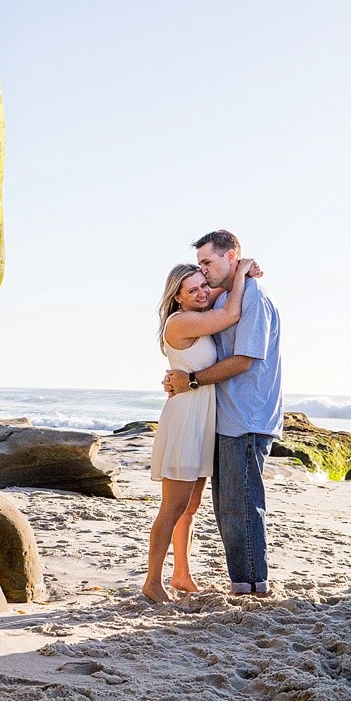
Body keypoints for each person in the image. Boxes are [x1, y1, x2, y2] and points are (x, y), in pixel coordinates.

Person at [163, 230, 282, 596]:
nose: (204, 271)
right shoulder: (224, 297)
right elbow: (198, 312)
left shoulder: (252, 300)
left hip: (247, 417)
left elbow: (245, 361)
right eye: (200, 264)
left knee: (242, 506)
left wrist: (192, 380)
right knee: (226, 508)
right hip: (222, 418)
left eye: (208, 262)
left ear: (231, 256)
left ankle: (252, 587)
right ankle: (242, 583)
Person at [142, 256, 257, 603]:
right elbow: (230, 315)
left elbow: (219, 298)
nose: (202, 292)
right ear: (177, 297)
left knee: (189, 508)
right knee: (172, 507)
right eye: (193, 289)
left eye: (204, 285)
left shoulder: (195, 314)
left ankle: (181, 575)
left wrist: (239, 272)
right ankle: (152, 583)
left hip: (200, 419)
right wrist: (240, 275)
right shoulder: (180, 322)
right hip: (185, 422)